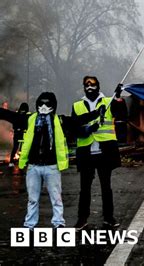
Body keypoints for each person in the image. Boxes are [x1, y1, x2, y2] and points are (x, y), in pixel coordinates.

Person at [19, 92, 103, 229]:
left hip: (52, 166)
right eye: (41, 103)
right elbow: (11, 116)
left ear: (53, 105)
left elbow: (78, 120)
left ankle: (58, 223)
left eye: (48, 103)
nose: (44, 106)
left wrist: (96, 113)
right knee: (32, 199)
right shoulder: (31, 119)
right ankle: (29, 224)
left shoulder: (60, 120)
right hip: (33, 166)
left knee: (56, 198)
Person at [72, 76, 127, 230]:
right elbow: (74, 128)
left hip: (105, 151)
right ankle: (82, 219)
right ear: (83, 87)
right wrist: (88, 129)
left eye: (93, 84)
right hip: (86, 152)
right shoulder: (77, 105)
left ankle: (108, 217)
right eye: (87, 84)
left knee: (106, 187)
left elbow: (122, 115)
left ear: (98, 85)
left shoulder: (108, 102)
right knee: (85, 188)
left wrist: (118, 98)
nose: (90, 86)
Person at [0, 102, 30, 167]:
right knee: (24, 149)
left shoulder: (16, 114)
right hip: (25, 134)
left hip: (17, 134)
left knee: (15, 148)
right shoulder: (28, 116)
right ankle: (23, 162)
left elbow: (7, 114)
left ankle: (12, 162)